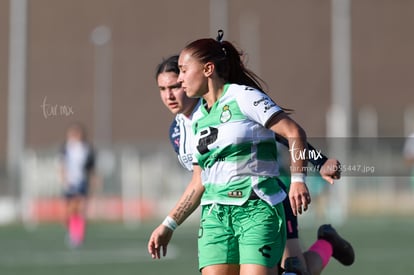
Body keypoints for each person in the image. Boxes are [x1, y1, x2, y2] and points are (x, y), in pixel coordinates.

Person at [148, 32, 345, 274]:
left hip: (259, 203)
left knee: (296, 270)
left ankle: (326, 244)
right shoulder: (182, 129)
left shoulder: (241, 98)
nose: (172, 91)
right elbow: (199, 180)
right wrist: (169, 224)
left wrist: (311, 168)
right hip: (216, 212)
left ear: (207, 69)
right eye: (163, 88)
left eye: (180, 78)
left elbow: (288, 133)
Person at [59, 122, 97, 248]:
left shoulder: (86, 149)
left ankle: (78, 236)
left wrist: (93, 182)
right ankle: (72, 232)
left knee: (80, 209)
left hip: (81, 182)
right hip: (70, 183)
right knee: (69, 211)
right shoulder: (66, 148)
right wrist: (64, 180)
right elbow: (62, 165)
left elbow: (91, 168)